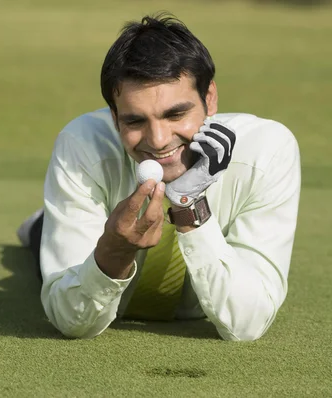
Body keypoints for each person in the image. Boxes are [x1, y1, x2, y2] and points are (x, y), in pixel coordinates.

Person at [16, 14, 301, 341]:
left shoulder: (268, 150)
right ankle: (40, 226)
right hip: (100, 272)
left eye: (175, 114)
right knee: (46, 249)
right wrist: (114, 251)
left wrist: (189, 206)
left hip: (194, 305)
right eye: (135, 121)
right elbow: (71, 320)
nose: (159, 140)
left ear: (210, 99)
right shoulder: (81, 144)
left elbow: (246, 326)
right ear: (114, 116)